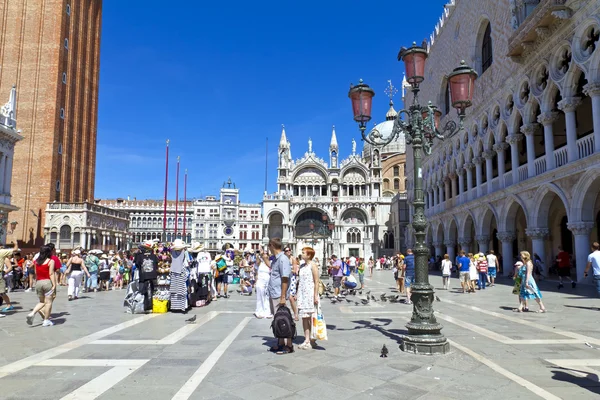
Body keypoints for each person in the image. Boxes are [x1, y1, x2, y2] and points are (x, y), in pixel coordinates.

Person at [263, 237, 293, 355]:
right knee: (278, 319)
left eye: (268, 246)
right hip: (274, 293)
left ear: (272, 245)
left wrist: (282, 296)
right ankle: (281, 342)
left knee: (285, 319)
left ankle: (289, 345)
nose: (268, 249)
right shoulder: (276, 259)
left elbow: (284, 278)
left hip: (279, 294)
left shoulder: (283, 259)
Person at [26, 245, 57, 327]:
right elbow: (51, 273)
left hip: (39, 282)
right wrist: (54, 284)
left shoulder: (36, 261)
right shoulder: (50, 261)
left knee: (42, 301)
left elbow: (36, 273)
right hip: (47, 282)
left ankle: (32, 313)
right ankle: (46, 320)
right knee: (48, 303)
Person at [296, 247, 319, 350]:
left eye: (303, 253)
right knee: (304, 317)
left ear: (309, 255)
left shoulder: (313, 265)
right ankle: (306, 340)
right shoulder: (301, 266)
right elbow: (299, 281)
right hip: (302, 294)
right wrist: (297, 293)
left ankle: (312, 339)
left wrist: (315, 295)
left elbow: (316, 281)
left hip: (310, 294)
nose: (302, 254)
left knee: (311, 317)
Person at [134, 240, 159, 312]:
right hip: (152, 275)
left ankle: (144, 306)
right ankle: (150, 305)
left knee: (143, 291)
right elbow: (156, 265)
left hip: (143, 276)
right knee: (151, 290)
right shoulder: (154, 256)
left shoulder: (139, 256)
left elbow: (137, 265)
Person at [0, 243, 18, 315]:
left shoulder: (3, 255)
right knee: (2, 292)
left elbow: (10, 267)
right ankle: (9, 304)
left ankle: (9, 305)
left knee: (2, 292)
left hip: (2, 274)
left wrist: (4, 272)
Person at [254, 247, 271, 318]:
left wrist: (265, 257)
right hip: (260, 280)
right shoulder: (260, 261)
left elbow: (269, 265)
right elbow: (257, 263)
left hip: (268, 280)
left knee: (267, 296)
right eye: (264, 253)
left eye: (266, 253)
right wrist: (258, 255)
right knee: (260, 295)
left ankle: (267, 312)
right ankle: (259, 312)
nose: (264, 254)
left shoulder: (270, 261)